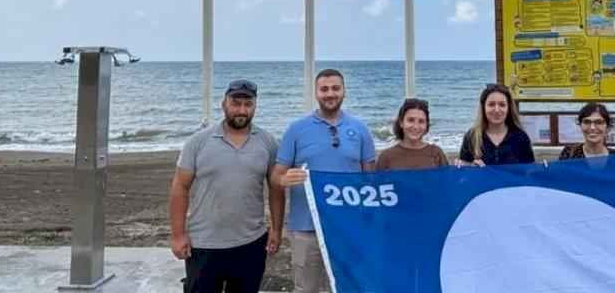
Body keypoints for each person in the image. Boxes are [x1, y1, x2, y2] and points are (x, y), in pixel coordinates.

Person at [169, 79, 283, 293]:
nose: (241, 110)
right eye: (235, 103)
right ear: (224, 104)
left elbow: (276, 189)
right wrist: (177, 235)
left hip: (251, 244)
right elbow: (180, 187)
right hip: (204, 245)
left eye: (248, 104)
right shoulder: (197, 142)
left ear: (255, 106)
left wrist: (276, 229)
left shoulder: (268, 142)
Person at [271, 69, 376, 293]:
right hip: (305, 227)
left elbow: (370, 181)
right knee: (306, 288)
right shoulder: (296, 129)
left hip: (347, 226)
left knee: (342, 288)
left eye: (335, 88)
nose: (330, 94)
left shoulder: (360, 129)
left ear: (344, 91)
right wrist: (285, 178)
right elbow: (276, 176)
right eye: (324, 89)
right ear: (316, 93)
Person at [457, 83, 534, 166]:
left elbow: (529, 174)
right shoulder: (472, 137)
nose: (497, 110)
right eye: (491, 104)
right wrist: (471, 168)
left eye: (502, 105)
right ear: (483, 107)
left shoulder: (521, 138)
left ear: (508, 108)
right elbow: (464, 175)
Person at [377, 98, 448, 170]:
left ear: (426, 125)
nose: (416, 126)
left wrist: (459, 167)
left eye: (421, 121)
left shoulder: (436, 153)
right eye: (411, 120)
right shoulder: (386, 157)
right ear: (401, 122)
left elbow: (448, 179)